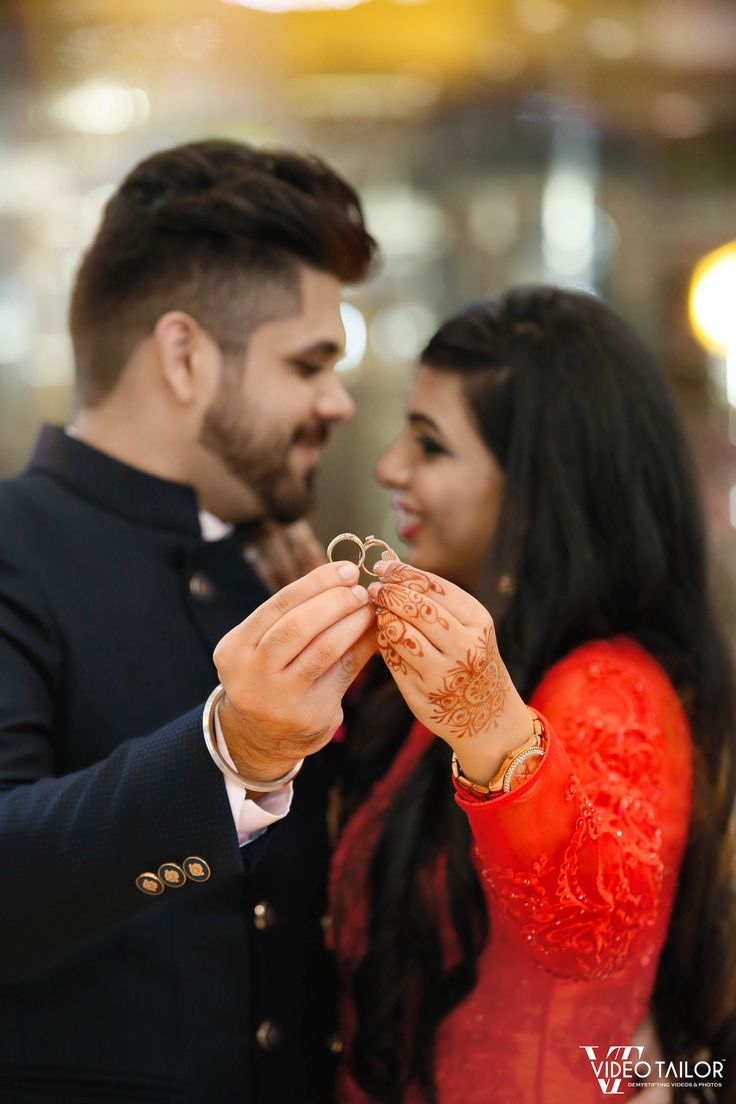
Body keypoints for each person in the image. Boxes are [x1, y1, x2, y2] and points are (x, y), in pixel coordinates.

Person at [0, 139, 379, 1102]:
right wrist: (227, 756)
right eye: (310, 362)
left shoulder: (269, 563)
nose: (338, 400)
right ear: (183, 354)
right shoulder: (14, 545)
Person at [329, 286, 736, 1103]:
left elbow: (592, 930)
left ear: (537, 490)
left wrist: (490, 730)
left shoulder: (607, 683)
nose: (389, 467)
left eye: (431, 446)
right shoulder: (473, 669)